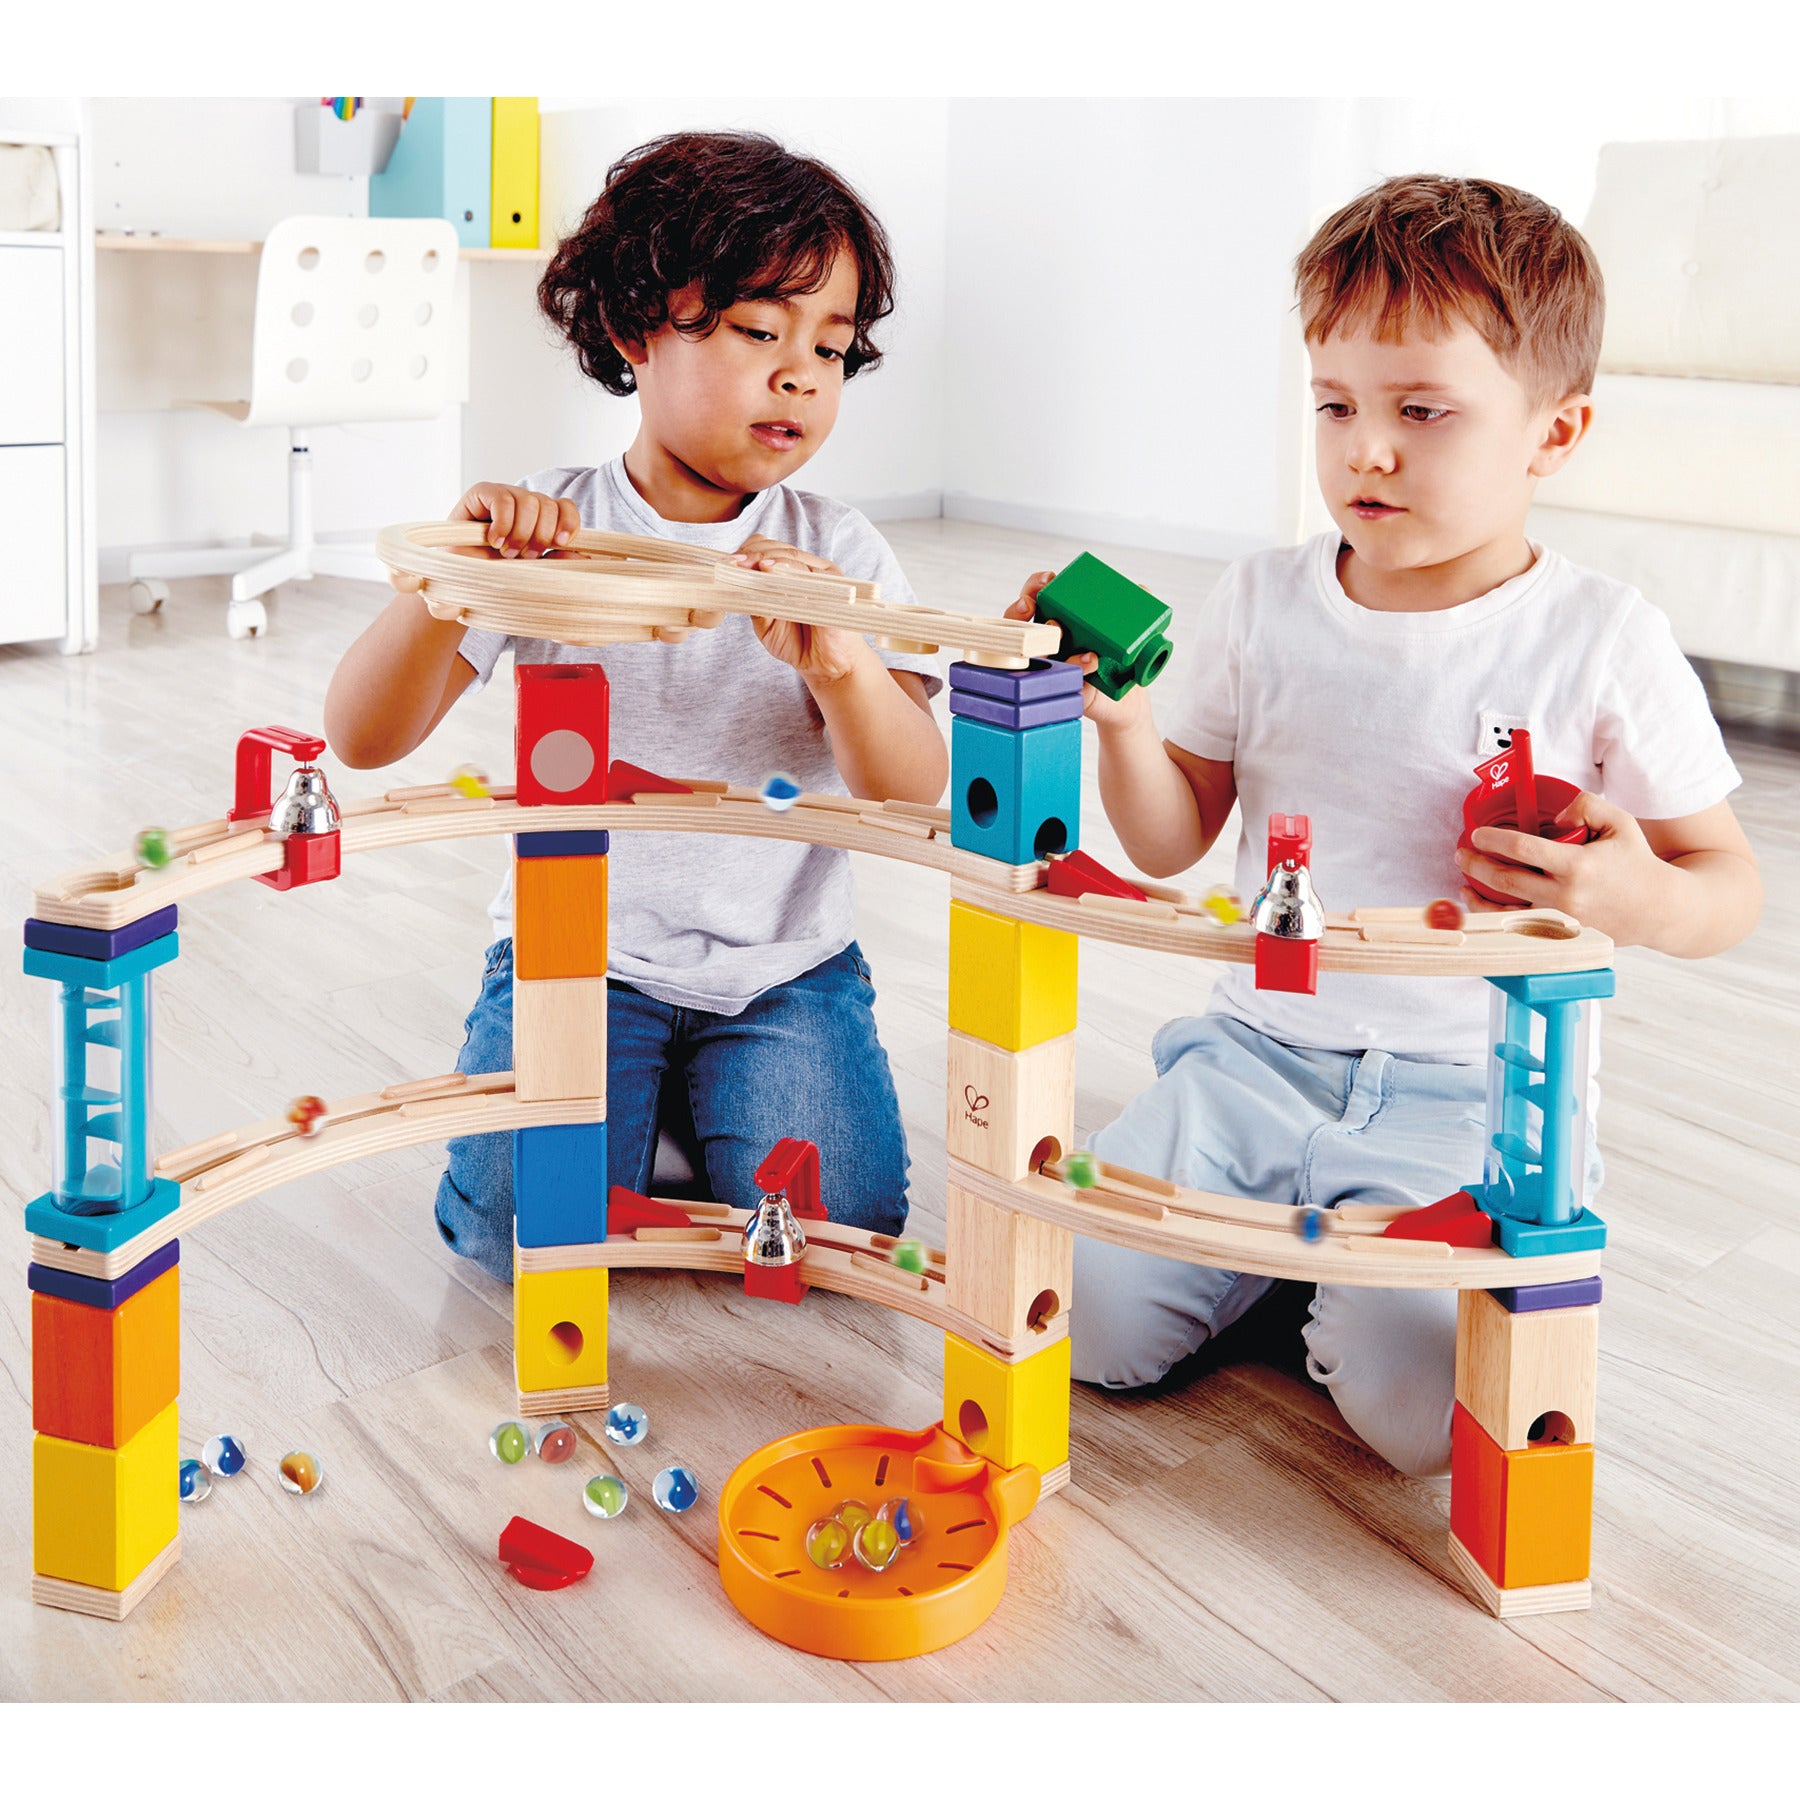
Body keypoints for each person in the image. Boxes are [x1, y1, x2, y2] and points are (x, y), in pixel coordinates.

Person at [1007, 174, 1761, 1476]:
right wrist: (1121, 728)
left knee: (1423, 1423)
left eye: (1422, 411)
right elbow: (1173, 839)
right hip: (1251, 1061)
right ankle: (1296, 1266)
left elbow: (1726, 883)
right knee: (1083, 1326)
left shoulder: (1602, 638)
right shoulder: (1262, 601)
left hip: (1468, 1098)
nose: (1366, 450)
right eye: (1336, 405)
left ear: (1554, 434)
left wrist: (1638, 894)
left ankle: (1318, 1285)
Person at [325, 130, 947, 1282]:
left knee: (840, 1231)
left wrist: (842, 665)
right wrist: (451, 583)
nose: (802, 374)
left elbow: (913, 795)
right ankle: (657, 1116)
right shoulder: (548, 530)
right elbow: (362, 737)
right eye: (759, 331)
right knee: (512, 1228)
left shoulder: (841, 549)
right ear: (633, 329)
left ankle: (669, 1117)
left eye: (830, 346)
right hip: (581, 958)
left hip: (783, 969)